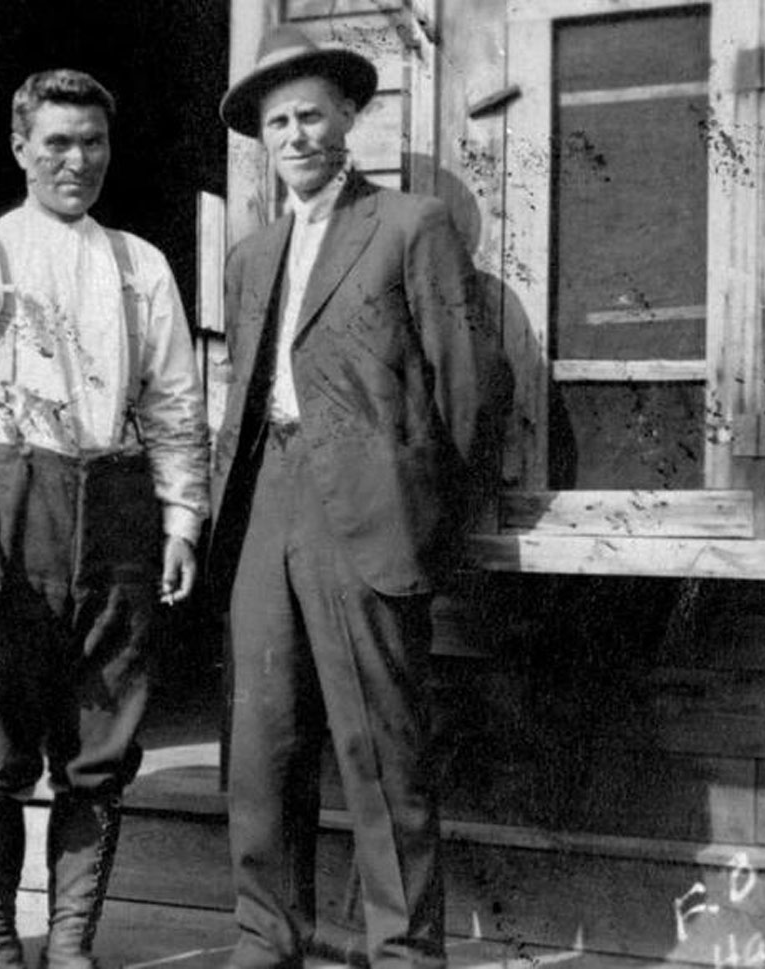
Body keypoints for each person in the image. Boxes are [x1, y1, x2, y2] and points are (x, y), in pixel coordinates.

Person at [209, 26, 510, 969]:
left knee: (381, 749)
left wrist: (425, 511)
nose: (296, 135)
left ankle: (407, 951)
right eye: (278, 123)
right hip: (266, 499)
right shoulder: (251, 255)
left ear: (349, 120)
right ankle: (268, 939)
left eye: (311, 115)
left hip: (367, 510)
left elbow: (471, 388)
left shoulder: (409, 227)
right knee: (261, 745)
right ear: (263, 140)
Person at [0, 68, 209, 969]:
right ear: (20, 148)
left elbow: (175, 405)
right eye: (58, 143)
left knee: (102, 743)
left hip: (114, 509)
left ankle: (71, 943)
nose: (77, 161)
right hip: (9, 502)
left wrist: (183, 516)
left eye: (94, 144)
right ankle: (0, 948)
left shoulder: (140, 263)